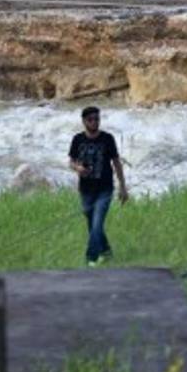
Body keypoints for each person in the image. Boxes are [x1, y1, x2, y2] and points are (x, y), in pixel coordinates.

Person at [68, 106, 127, 267]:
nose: (95, 122)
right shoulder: (77, 139)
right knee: (92, 225)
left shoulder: (107, 139)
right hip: (85, 190)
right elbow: (71, 162)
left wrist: (122, 187)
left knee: (97, 223)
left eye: (97, 119)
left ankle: (90, 259)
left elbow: (116, 162)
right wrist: (77, 168)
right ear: (84, 121)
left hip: (105, 189)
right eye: (91, 119)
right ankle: (107, 252)